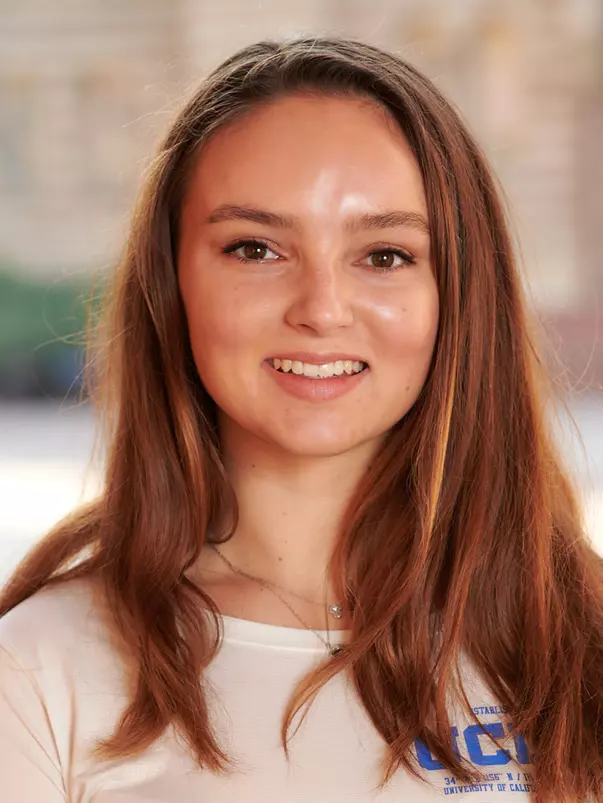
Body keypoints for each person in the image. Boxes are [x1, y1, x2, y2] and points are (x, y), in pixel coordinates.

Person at [0, 35, 601, 803]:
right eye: (254, 248)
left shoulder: (576, 641)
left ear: (459, 294)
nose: (319, 308)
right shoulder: (38, 672)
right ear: (169, 283)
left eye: (383, 255)